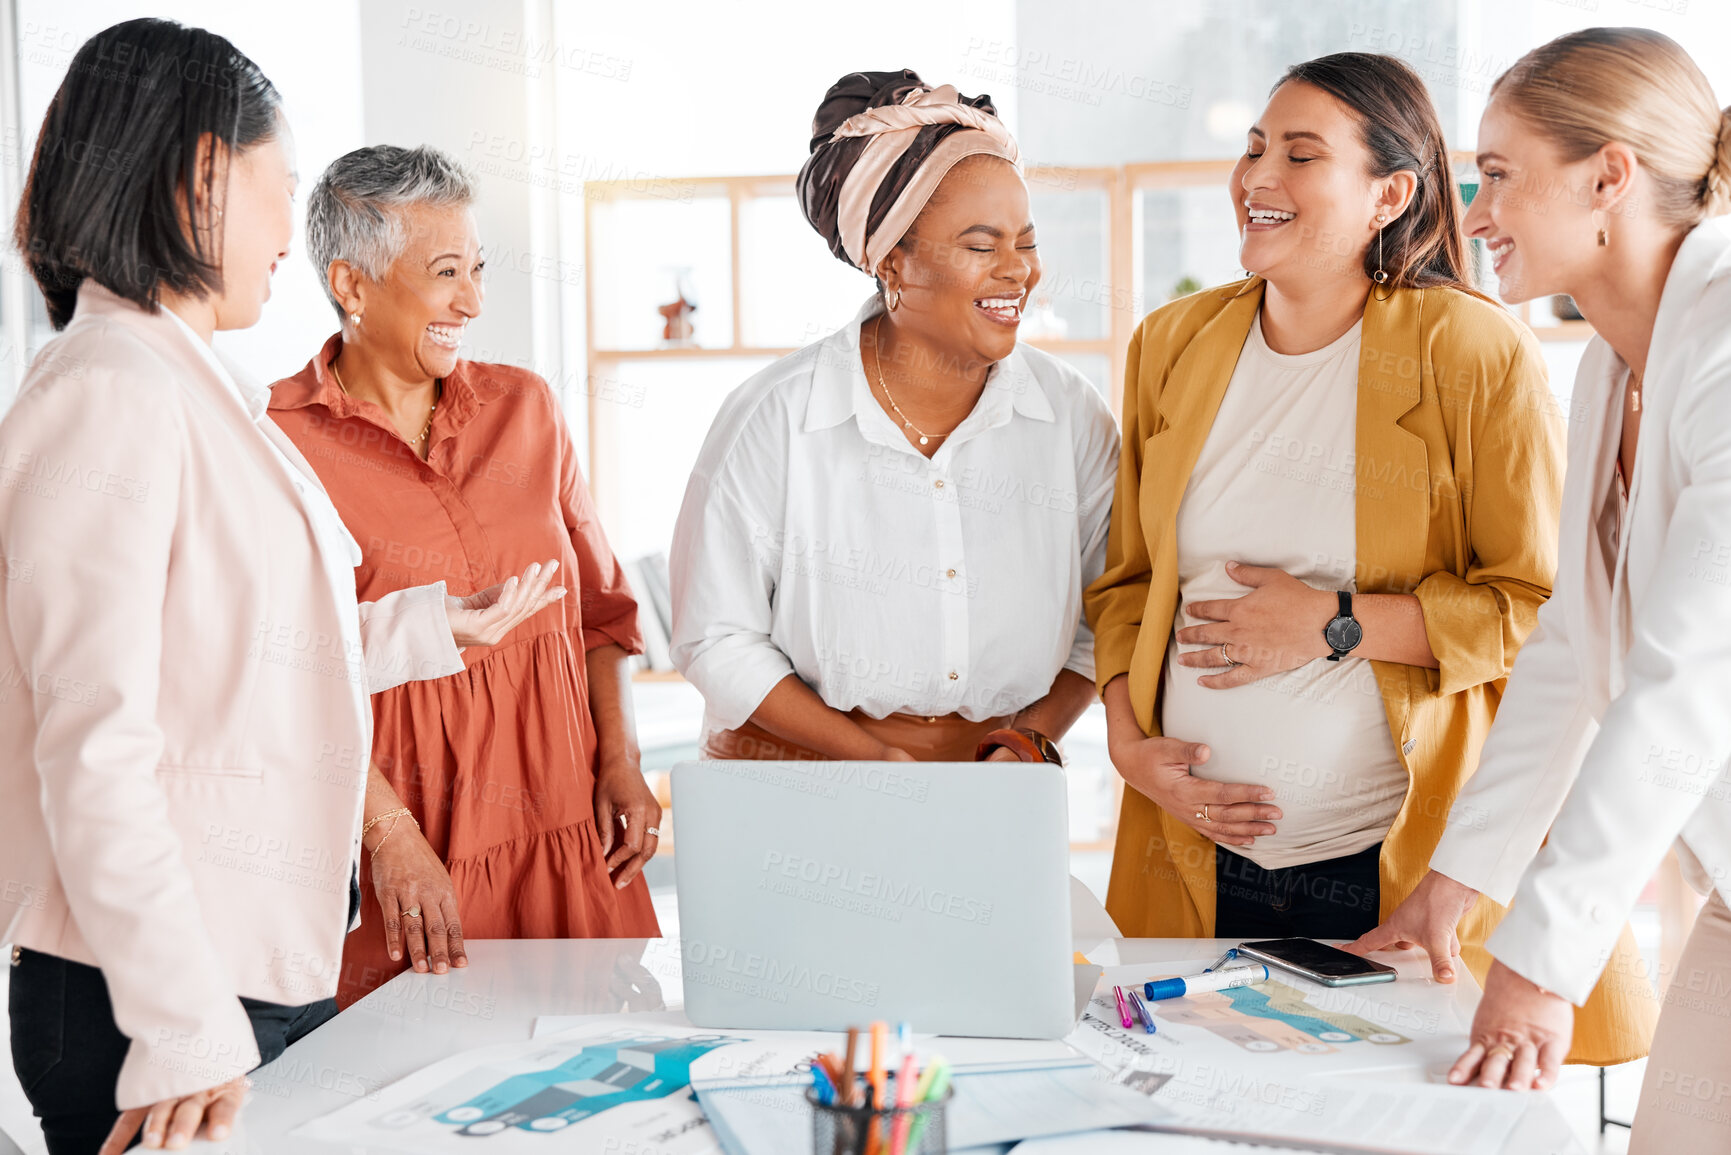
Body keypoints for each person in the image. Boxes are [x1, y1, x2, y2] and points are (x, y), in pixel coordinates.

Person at [0, 21, 560, 1155]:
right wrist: (185, 1025)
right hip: (161, 999)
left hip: (238, 970)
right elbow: (93, 737)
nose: (287, 237)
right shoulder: (110, 389)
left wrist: (417, 628)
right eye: (283, 187)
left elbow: (220, 655)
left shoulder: (180, 380)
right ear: (204, 174)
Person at [1084, 51, 1652, 1065]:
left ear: (1391, 193)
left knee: (1375, 1116)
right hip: (1193, 847)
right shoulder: (1172, 344)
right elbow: (1127, 585)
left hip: (1390, 859)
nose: (1259, 177)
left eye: (1302, 155)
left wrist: (1333, 622)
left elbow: (1542, 607)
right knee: (1198, 1114)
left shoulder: (1469, 351)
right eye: (1255, 148)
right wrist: (1130, 746)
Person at [1344, 29, 1731, 1141]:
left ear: (1609, 177)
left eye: (1500, 175)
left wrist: (1544, 963)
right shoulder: (1615, 364)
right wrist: (1456, 885)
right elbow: (1569, 655)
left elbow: (1686, 686)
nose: (1472, 215)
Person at [270, 145, 661, 1008]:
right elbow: (290, 671)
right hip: (414, 851)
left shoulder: (528, 408)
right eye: (447, 272)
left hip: (566, 828)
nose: (473, 301)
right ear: (352, 283)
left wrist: (621, 761)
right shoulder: (276, 442)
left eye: (476, 270)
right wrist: (389, 835)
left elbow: (601, 613)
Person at [668, 69, 1118, 766]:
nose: (1018, 271)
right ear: (893, 264)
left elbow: (1106, 616)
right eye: (980, 245)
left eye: (1025, 243)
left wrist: (1025, 741)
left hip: (998, 772)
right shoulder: (774, 416)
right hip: (799, 773)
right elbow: (714, 637)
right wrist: (871, 761)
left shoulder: (1071, 416)